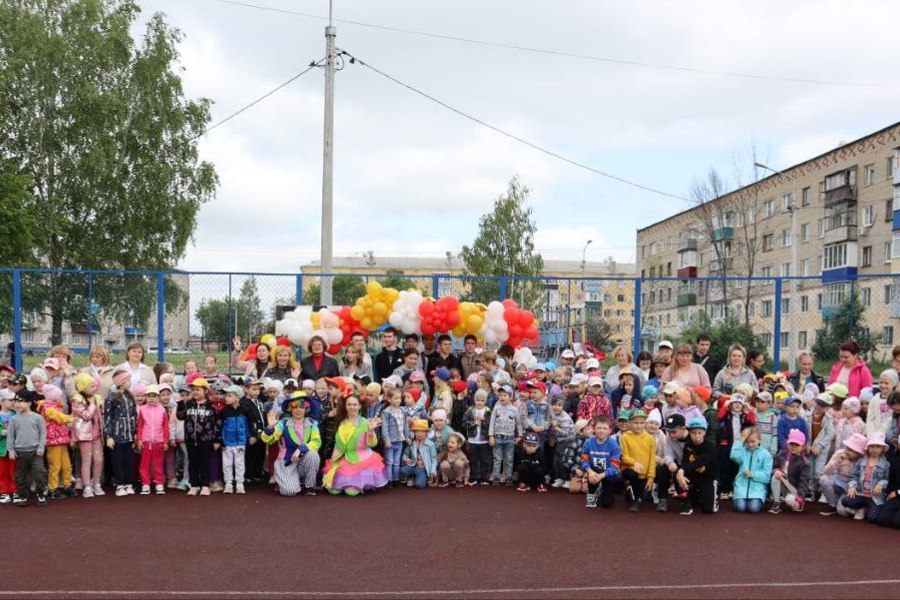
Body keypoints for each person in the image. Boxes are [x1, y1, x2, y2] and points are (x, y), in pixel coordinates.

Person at [322, 393, 388, 496]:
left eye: (354, 404)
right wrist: (333, 462)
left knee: (351, 492)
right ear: (345, 406)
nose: (352, 407)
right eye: (349, 404)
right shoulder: (341, 422)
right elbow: (338, 445)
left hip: (361, 460)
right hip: (343, 459)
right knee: (333, 490)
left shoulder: (365, 423)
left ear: (359, 406)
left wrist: (370, 431)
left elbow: (372, 444)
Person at [261, 393, 321, 496]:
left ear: (306, 408)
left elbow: (316, 442)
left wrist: (300, 449)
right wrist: (270, 427)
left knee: (313, 455)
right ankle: (284, 480)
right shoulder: (282, 424)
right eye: (294, 406)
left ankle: (309, 486)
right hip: (287, 461)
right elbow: (269, 440)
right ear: (290, 409)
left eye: (301, 407)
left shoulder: (312, 423)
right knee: (289, 492)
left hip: (303, 460)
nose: (298, 410)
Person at [177, 378, 220, 496]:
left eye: (198, 389)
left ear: (205, 391)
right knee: (193, 463)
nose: (195, 392)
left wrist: (217, 440)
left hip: (206, 440)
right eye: (193, 390)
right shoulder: (189, 404)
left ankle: (205, 485)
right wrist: (180, 402)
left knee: (205, 462)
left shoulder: (211, 407)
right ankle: (194, 485)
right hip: (191, 440)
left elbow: (217, 424)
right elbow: (180, 416)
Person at [8, 393, 48, 507]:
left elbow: (43, 434)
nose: (17, 404)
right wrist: (11, 450)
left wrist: (41, 447)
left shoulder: (37, 417)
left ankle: (40, 494)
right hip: (20, 452)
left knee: (40, 473)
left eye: (21, 401)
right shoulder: (14, 419)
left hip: (36, 452)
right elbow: (11, 436)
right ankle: (22, 495)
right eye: (16, 401)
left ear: (29, 403)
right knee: (20, 476)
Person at [841, 432, 891, 521]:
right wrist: (852, 486)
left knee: (873, 518)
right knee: (845, 500)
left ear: (883, 448)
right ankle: (861, 507)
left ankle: (867, 508)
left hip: (875, 497)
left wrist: (881, 484)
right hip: (861, 493)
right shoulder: (861, 461)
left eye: (878, 446)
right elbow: (854, 476)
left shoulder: (885, 464)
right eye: (872, 446)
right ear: (867, 448)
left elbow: (887, 479)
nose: (875, 449)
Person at [677, 417, 719, 516]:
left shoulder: (709, 446)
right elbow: (685, 462)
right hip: (694, 477)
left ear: (704, 433)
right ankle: (686, 502)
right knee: (677, 473)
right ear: (689, 433)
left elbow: (700, 461)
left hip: (708, 478)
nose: (696, 436)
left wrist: (682, 469)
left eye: (699, 433)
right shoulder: (688, 445)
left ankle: (713, 495)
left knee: (709, 510)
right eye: (693, 433)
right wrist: (681, 471)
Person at [70, 374, 104, 498]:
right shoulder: (77, 401)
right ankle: (87, 486)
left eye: (95, 385)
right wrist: (92, 404)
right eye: (91, 386)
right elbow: (86, 416)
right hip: (85, 436)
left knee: (99, 460)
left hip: (97, 435)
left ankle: (96, 483)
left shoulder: (97, 398)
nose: (95, 388)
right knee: (86, 461)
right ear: (83, 387)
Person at [38, 385, 74, 499]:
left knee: (66, 465)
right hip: (53, 441)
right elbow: (59, 417)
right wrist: (70, 418)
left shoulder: (57, 406)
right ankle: (52, 488)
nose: (61, 398)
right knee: (55, 466)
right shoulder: (48, 408)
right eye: (59, 396)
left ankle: (67, 485)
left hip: (62, 439)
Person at [717, 394, 755, 500]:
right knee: (724, 467)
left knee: (735, 468)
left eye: (740, 403)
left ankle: (733, 489)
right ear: (731, 404)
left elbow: (752, 421)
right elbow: (719, 416)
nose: (737, 405)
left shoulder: (744, 416)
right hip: (726, 445)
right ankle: (724, 489)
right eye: (735, 403)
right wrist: (725, 405)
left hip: (739, 446)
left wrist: (749, 409)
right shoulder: (727, 414)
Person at [819, 432, 867, 517]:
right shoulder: (840, 453)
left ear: (860, 453)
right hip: (837, 482)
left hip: (850, 488)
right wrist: (836, 462)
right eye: (848, 448)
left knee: (842, 512)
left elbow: (861, 480)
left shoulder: (863, 461)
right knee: (823, 479)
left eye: (853, 450)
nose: (848, 451)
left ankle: (850, 507)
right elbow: (825, 472)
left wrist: (852, 487)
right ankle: (833, 505)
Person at [581, 415, 621, 509]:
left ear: (610, 430)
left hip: (607, 474)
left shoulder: (614, 444)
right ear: (594, 429)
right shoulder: (588, 442)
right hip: (593, 472)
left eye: (604, 428)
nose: (601, 431)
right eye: (598, 428)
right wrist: (590, 472)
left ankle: (601, 488)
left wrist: (601, 476)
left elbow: (614, 466)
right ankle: (592, 492)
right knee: (591, 475)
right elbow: (584, 460)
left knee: (607, 504)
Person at [619, 409, 655, 512]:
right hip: (629, 469)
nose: (639, 426)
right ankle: (636, 501)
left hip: (644, 473)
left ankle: (630, 491)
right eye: (635, 423)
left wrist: (650, 478)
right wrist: (633, 462)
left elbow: (652, 459)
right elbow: (624, 456)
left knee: (647, 496)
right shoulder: (625, 437)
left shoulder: (649, 438)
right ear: (630, 423)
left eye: (642, 423)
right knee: (634, 476)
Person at [136, 385, 170, 495]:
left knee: (158, 463)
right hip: (146, 441)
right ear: (146, 397)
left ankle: (159, 483)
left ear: (158, 397)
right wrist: (140, 439)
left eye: (154, 396)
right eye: (149, 396)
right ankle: (145, 484)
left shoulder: (162, 410)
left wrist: (165, 441)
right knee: (144, 464)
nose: (151, 398)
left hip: (158, 441)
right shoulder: (142, 410)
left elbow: (165, 426)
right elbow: (140, 426)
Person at [729, 427, 772, 514]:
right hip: (741, 486)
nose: (750, 444)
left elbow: (767, 476)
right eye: (747, 441)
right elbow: (733, 456)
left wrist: (753, 474)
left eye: (753, 441)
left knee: (753, 509)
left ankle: (758, 500)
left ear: (759, 440)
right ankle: (741, 499)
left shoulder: (765, 454)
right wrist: (741, 439)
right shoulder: (743, 451)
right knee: (740, 508)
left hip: (757, 489)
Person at [217, 385, 250, 494]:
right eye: (226, 396)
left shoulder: (244, 411)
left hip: (240, 442)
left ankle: (240, 483)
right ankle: (228, 483)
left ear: (237, 397)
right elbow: (220, 426)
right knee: (227, 464)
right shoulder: (224, 411)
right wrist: (221, 440)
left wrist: (248, 437)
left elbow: (247, 426)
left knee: (239, 463)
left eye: (229, 396)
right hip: (227, 442)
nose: (226, 398)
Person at [769, 429, 811, 514]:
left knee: (789, 500)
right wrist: (776, 470)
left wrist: (800, 499)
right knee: (775, 476)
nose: (793, 447)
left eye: (797, 445)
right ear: (788, 443)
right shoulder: (782, 453)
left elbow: (803, 483)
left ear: (802, 446)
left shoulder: (805, 463)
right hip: (783, 483)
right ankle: (776, 503)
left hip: (794, 489)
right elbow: (775, 465)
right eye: (791, 444)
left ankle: (799, 502)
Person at [489, 384, 523, 485]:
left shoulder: (514, 409)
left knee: (509, 459)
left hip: (510, 438)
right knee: (497, 458)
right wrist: (491, 436)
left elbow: (519, 424)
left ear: (511, 396)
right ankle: (496, 477)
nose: (502, 397)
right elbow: (492, 422)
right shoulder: (496, 408)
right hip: (497, 437)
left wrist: (520, 436)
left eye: (505, 395)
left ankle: (508, 477)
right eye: (500, 395)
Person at [804, 393, 835, 502]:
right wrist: (807, 446)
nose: (819, 407)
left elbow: (830, 434)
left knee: (818, 472)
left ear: (827, 407)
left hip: (821, 450)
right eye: (818, 404)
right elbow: (804, 433)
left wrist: (819, 447)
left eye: (823, 405)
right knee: (810, 471)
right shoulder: (807, 416)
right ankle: (812, 492)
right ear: (814, 403)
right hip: (809, 449)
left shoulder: (827, 419)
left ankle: (822, 492)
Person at [380, 387, 409, 487]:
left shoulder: (402, 411)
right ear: (389, 399)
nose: (398, 400)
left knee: (397, 461)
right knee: (389, 462)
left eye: (399, 398)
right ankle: (389, 480)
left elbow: (405, 425)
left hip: (399, 440)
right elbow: (385, 427)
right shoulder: (387, 412)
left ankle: (396, 479)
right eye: (395, 398)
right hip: (390, 441)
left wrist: (407, 436)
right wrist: (386, 440)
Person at [463, 389, 492, 485]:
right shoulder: (470, 410)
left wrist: (483, 421)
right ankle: (474, 477)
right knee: (473, 459)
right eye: (478, 400)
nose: (480, 402)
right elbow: (464, 423)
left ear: (485, 401)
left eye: (482, 400)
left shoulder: (488, 411)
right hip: (472, 440)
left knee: (485, 460)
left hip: (484, 440)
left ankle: (484, 478)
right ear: (474, 400)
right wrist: (473, 423)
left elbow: (491, 425)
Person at [401, 419, 437, 488]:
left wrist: (433, 470)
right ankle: (411, 477)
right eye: (417, 431)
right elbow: (405, 453)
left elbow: (434, 459)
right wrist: (405, 458)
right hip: (413, 466)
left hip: (423, 468)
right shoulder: (412, 443)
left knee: (419, 485)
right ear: (414, 432)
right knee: (402, 470)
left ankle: (419, 478)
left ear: (427, 432)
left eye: (422, 431)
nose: (419, 433)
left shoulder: (430, 444)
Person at [752, 392, 779, 458]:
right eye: (757, 401)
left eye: (762, 402)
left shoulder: (773, 417)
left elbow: (775, 435)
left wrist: (773, 451)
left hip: (766, 451)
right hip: (752, 449)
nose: (759, 404)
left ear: (769, 404)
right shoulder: (752, 414)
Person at [0, 390, 15, 503]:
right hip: (1, 449)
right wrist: (1, 432)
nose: (13, 402)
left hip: (14, 449)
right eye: (10, 400)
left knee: (14, 470)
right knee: (2, 472)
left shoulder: (16, 414)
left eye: (13, 400)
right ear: (2, 401)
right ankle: (4, 492)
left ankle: (15, 491)